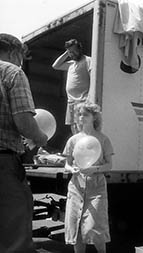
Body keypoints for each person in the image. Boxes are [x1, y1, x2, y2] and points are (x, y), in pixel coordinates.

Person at [0, 33, 48, 252]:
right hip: (3, 166)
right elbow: (25, 123)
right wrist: (41, 137)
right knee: (14, 238)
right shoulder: (12, 73)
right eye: (21, 57)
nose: (21, 63)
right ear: (13, 52)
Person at [63, 102, 114, 253]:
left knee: (95, 228)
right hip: (76, 188)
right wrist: (72, 169)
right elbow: (67, 164)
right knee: (76, 228)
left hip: (96, 188)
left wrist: (94, 169)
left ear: (94, 117)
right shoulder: (73, 140)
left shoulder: (103, 139)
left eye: (85, 114)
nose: (81, 117)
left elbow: (109, 165)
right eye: (79, 114)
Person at [52, 39, 91, 134]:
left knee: (82, 127)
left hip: (83, 101)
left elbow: (93, 77)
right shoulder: (71, 64)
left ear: (80, 49)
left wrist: (90, 98)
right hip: (71, 102)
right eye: (70, 52)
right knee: (73, 128)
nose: (72, 54)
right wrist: (67, 53)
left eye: (74, 51)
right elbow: (55, 65)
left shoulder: (88, 60)